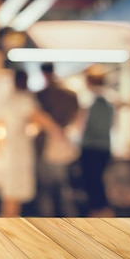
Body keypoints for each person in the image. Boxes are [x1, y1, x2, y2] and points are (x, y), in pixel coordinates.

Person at [0, 70, 61, 217]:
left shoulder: (9, 100)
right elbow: (40, 118)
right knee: (15, 190)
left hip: (7, 149)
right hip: (18, 151)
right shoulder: (24, 99)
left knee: (10, 191)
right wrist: (57, 132)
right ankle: (9, 224)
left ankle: (6, 221)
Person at [35, 62, 79, 216]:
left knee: (47, 187)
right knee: (62, 186)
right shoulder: (69, 95)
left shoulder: (41, 95)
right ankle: (66, 221)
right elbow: (75, 118)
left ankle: (48, 223)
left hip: (46, 145)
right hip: (61, 143)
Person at [78, 67, 115, 217]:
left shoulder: (92, 102)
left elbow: (86, 127)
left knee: (92, 183)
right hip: (104, 148)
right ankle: (101, 213)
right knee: (97, 182)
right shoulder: (108, 102)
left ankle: (99, 215)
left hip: (91, 148)